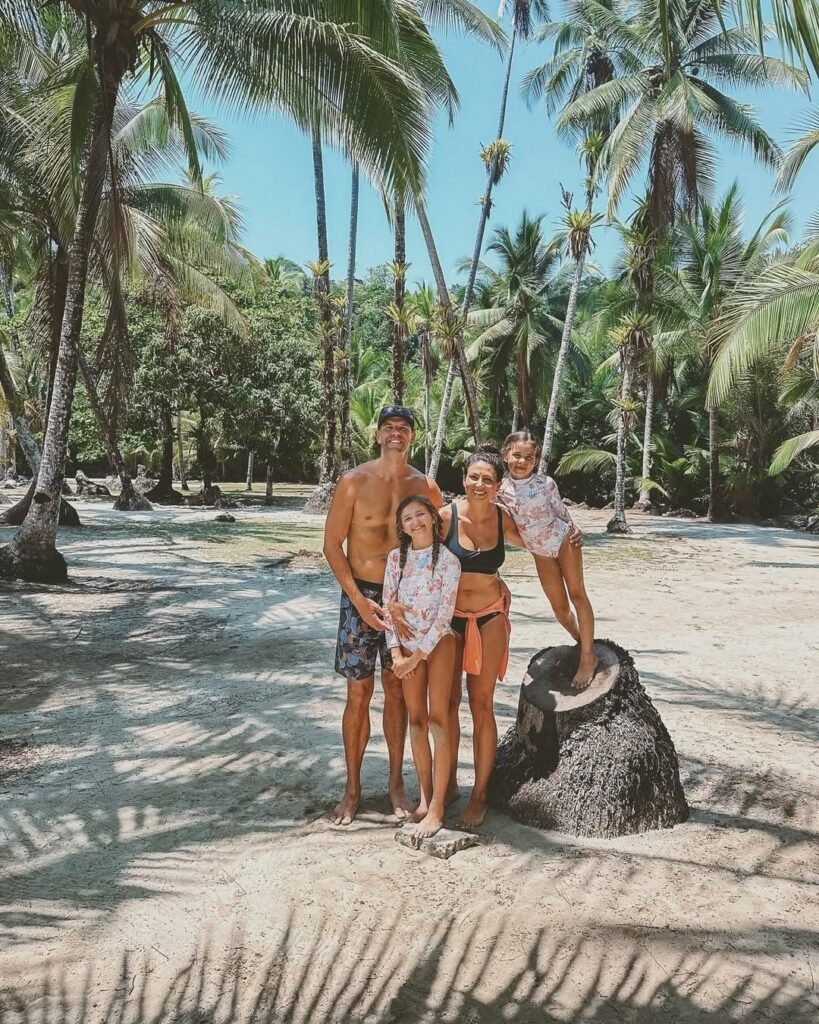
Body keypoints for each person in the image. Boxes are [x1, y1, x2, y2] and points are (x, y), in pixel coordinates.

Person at [323, 406, 443, 826]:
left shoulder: (424, 485)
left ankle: (396, 785)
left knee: (398, 692)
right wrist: (358, 600)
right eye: (389, 428)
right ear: (377, 435)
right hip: (361, 598)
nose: (397, 434)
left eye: (404, 429)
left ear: (413, 437)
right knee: (358, 694)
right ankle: (352, 790)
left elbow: (442, 540)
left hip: (404, 603)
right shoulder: (354, 481)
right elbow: (331, 545)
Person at [383, 496, 460, 839]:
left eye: (420, 515)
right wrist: (397, 654)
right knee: (415, 719)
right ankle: (425, 796)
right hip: (407, 650)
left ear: (433, 517)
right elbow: (388, 609)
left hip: (438, 645)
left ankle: (439, 806)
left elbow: (445, 616)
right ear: (401, 527)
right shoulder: (395, 559)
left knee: (437, 719)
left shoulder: (448, 561)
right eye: (407, 518)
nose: (415, 522)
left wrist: (417, 656)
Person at [497, 429, 598, 689]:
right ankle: (582, 641)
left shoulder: (546, 483)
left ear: (536, 460)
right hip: (540, 553)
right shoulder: (500, 491)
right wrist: (529, 545)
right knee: (560, 609)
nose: (521, 461)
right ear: (506, 454)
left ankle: (588, 657)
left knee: (577, 594)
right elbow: (508, 530)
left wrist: (575, 530)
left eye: (528, 457)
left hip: (563, 541)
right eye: (516, 455)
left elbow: (561, 512)